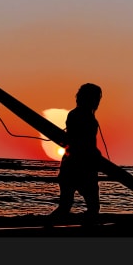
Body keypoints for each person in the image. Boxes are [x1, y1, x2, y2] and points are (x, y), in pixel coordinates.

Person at [48, 83, 103, 225]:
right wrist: (95, 154)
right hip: (80, 168)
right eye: (96, 98)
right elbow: (80, 142)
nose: (97, 101)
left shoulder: (77, 115)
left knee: (66, 205)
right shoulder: (81, 117)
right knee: (91, 207)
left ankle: (49, 226)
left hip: (72, 167)